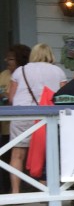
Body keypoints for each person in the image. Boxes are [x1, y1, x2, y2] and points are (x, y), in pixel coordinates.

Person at [8, 43, 67, 194]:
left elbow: (11, 98)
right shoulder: (58, 71)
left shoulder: (20, 71)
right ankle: (45, 191)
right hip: (47, 117)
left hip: (22, 115)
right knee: (48, 153)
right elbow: (63, 97)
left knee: (18, 154)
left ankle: (15, 192)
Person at [0, 45, 30, 194]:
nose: (6, 60)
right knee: (6, 159)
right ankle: (10, 192)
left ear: (20, 60)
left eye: (11, 58)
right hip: (6, 126)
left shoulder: (28, 74)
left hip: (27, 124)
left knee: (28, 160)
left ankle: (29, 190)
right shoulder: (4, 75)